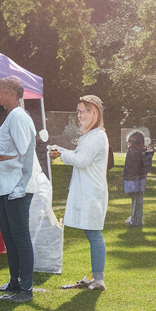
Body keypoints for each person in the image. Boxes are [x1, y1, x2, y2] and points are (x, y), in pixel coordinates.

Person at [0, 75, 39, 301]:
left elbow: (24, 151)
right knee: (9, 237)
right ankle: (14, 282)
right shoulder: (11, 116)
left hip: (16, 186)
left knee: (19, 236)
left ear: (11, 93)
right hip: (4, 186)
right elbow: (7, 148)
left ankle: (26, 288)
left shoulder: (17, 116)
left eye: (1, 91)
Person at [54, 96, 111, 290]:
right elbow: (78, 157)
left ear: (94, 112)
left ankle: (99, 279)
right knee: (92, 232)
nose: (79, 115)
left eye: (83, 111)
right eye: (78, 111)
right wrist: (60, 150)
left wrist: (61, 153)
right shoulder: (90, 135)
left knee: (94, 233)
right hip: (88, 191)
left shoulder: (97, 136)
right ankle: (96, 278)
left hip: (92, 193)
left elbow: (82, 160)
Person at [123, 131, 153, 227]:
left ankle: (135, 220)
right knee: (137, 201)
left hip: (134, 180)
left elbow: (136, 167)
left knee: (136, 201)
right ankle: (135, 219)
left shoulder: (135, 152)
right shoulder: (139, 152)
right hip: (137, 180)